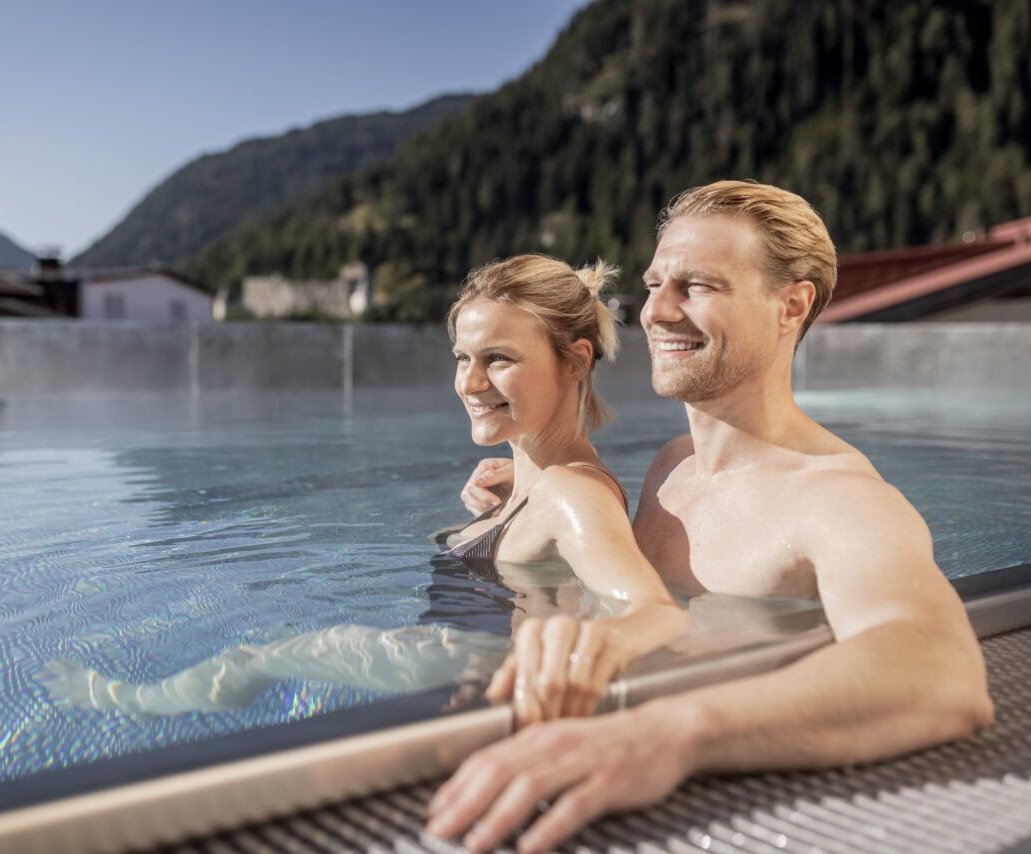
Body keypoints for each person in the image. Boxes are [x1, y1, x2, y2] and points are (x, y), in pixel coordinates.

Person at [425, 180, 994, 853]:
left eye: (696, 286)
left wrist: (669, 733)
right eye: (654, 283)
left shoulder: (838, 499)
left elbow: (941, 672)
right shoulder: (674, 469)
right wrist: (518, 497)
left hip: (734, 817)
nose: (656, 312)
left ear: (792, 304)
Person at [42, 255, 687, 717]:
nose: (468, 382)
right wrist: (502, 512)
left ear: (574, 360)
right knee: (257, 658)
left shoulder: (570, 494)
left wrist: (561, 661)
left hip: (458, 674)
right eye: (463, 357)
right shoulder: (539, 482)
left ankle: (134, 705)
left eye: (499, 358)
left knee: (249, 661)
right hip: (450, 663)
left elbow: (654, 613)